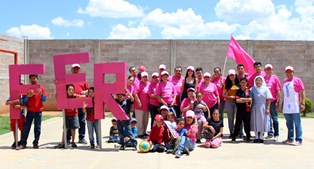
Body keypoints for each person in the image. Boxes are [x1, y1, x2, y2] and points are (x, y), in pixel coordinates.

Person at [17, 74, 46, 150]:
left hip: (38, 112)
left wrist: (41, 94)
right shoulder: (27, 89)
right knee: (26, 127)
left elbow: (44, 100)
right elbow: (23, 101)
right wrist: (27, 96)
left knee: (37, 128)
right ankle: (23, 143)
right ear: (30, 79)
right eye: (32, 78)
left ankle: (36, 143)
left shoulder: (41, 88)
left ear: (37, 79)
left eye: (35, 78)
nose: (33, 80)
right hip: (30, 111)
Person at [282, 66, 305, 146]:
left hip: (295, 105)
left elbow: (302, 92)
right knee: (289, 123)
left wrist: (302, 103)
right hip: (286, 105)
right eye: (287, 72)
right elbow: (284, 94)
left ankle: (299, 139)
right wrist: (282, 103)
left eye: (290, 71)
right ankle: (290, 138)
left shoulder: (297, 80)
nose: (289, 73)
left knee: (297, 123)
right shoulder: (285, 81)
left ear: (293, 72)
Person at [70, 63, 89, 144]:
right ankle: (68, 137)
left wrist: (84, 93)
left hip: (81, 103)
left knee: (82, 120)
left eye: (77, 69)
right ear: (71, 70)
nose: (76, 70)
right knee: (70, 120)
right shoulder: (68, 79)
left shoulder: (83, 79)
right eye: (74, 69)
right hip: (71, 103)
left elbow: (88, 90)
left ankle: (81, 137)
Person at [56, 84, 79, 148]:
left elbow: (82, 98)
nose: (71, 91)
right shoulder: (64, 97)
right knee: (65, 128)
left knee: (73, 128)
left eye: (72, 90)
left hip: (74, 114)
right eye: (69, 89)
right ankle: (63, 142)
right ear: (66, 90)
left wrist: (79, 96)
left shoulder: (75, 96)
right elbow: (58, 100)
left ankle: (73, 142)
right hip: (66, 114)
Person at [250, 76, 272, 143]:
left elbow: (268, 99)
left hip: (263, 106)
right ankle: (256, 137)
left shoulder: (266, 89)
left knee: (263, 121)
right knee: (255, 121)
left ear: (262, 81)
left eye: (259, 80)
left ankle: (261, 137)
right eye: (257, 80)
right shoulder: (252, 89)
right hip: (255, 106)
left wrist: (268, 108)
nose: (258, 82)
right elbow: (250, 99)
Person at [264, 64, 281, 140]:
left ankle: (276, 134)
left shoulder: (275, 78)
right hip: (265, 102)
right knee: (268, 119)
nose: (268, 71)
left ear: (272, 70)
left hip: (273, 101)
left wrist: (278, 101)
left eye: (269, 69)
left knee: (275, 118)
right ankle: (270, 133)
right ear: (265, 70)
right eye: (267, 69)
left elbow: (278, 90)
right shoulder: (263, 79)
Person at [232, 78, 252, 142]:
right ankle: (234, 137)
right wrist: (245, 99)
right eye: (242, 82)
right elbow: (237, 100)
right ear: (240, 83)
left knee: (247, 124)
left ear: (246, 83)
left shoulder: (248, 91)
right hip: (240, 110)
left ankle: (248, 137)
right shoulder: (238, 91)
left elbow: (250, 99)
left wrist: (242, 99)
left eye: (244, 82)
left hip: (247, 110)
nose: (243, 84)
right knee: (238, 124)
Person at [223, 69, 239, 138]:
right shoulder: (226, 84)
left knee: (238, 118)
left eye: (233, 75)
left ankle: (238, 132)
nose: (232, 76)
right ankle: (231, 132)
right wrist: (230, 96)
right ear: (228, 76)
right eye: (230, 75)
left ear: (235, 75)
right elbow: (223, 95)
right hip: (229, 102)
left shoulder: (238, 83)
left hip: (237, 102)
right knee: (230, 118)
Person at [134, 72, 150, 138]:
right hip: (139, 106)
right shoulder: (138, 84)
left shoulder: (149, 84)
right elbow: (135, 93)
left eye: (146, 77)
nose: (145, 78)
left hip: (147, 105)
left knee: (145, 120)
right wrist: (138, 102)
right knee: (139, 120)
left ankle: (144, 132)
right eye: (144, 77)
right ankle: (139, 133)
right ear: (141, 78)